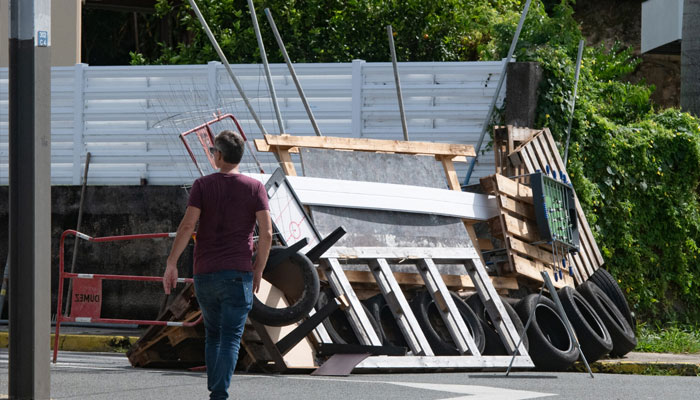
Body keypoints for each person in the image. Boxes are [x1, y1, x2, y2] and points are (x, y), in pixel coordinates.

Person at [163, 130, 272, 400]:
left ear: (219, 155)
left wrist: (171, 263)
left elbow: (188, 225)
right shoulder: (254, 187)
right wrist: (258, 268)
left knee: (212, 334)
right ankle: (219, 394)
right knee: (231, 337)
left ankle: (216, 392)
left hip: (205, 273)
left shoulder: (202, 185)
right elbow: (267, 233)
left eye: (213, 152)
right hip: (237, 273)